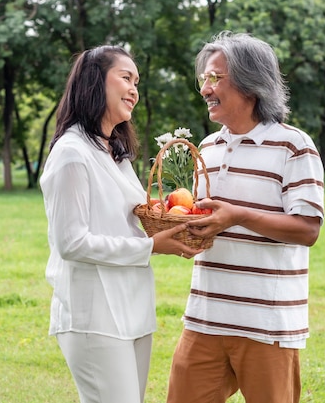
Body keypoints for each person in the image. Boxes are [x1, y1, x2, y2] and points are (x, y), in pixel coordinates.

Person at [166, 31, 325, 403]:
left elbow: (308, 229)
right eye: (204, 79)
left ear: (251, 84)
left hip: (267, 325)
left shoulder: (294, 145)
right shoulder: (207, 146)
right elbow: (205, 220)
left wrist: (236, 216)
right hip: (206, 316)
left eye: (215, 78)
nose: (205, 88)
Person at [40, 45, 202, 403]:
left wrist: (169, 215)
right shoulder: (71, 153)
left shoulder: (113, 153)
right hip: (94, 314)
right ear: (95, 82)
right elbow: (72, 243)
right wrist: (150, 247)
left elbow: (127, 217)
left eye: (137, 82)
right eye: (125, 78)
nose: (134, 90)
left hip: (132, 307)